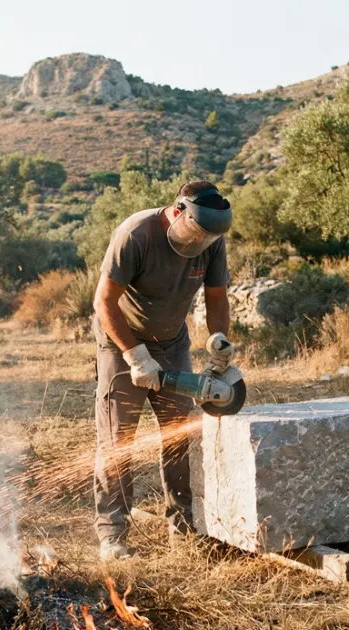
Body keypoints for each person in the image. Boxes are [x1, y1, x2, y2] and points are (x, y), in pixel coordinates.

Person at [91, 180, 237, 561]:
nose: (201, 242)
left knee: (179, 436)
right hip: (121, 340)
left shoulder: (212, 241)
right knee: (118, 440)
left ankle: (183, 527)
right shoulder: (135, 235)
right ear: (177, 211)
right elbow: (104, 303)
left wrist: (219, 339)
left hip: (172, 343)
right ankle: (112, 535)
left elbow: (217, 298)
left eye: (209, 238)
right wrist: (135, 356)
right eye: (196, 232)